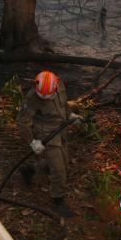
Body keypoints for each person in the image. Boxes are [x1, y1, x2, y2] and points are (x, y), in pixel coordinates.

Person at [16, 70, 82, 217]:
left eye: (48, 96)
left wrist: (70, 115)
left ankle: (30, 170)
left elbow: (64, 104)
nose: (45, 98)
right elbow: (22, 121)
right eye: (42, 96)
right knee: (59, 171)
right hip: (46, 135)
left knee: (63, 163)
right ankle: (57, 201)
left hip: (61, 129)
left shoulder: (60, 85)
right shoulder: (32, 98)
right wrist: (32, 141)